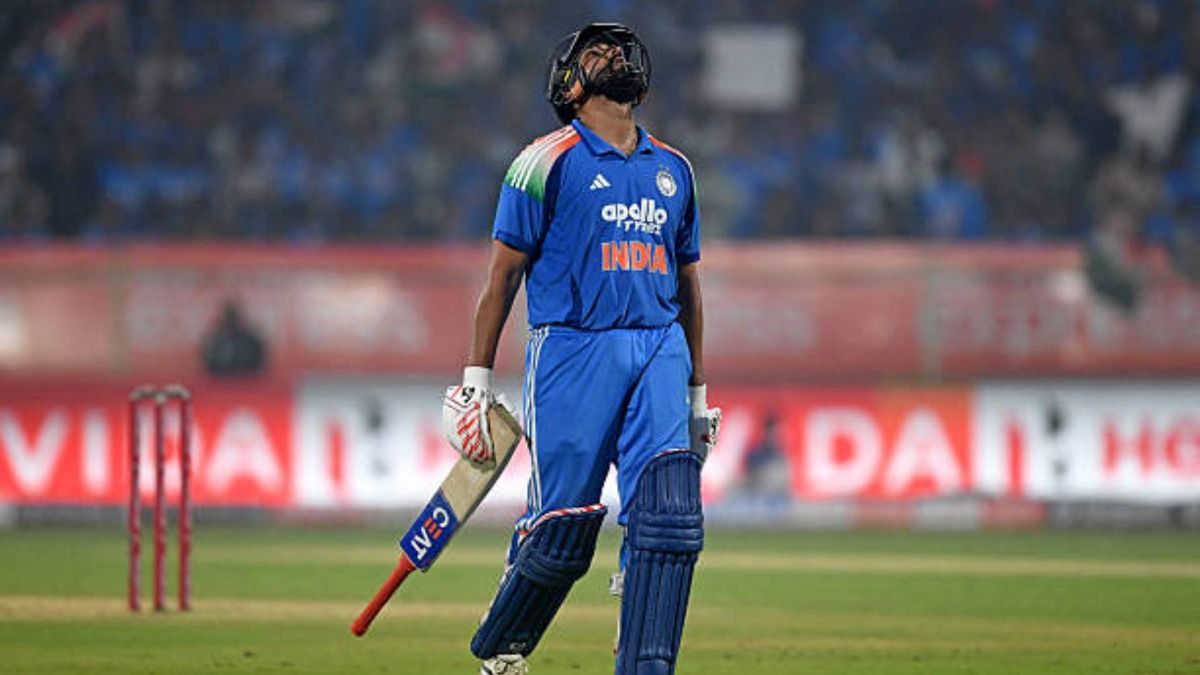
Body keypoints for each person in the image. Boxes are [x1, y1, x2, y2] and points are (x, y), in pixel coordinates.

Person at [439, 23, 720, 675]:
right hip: (572, 352)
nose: (616, 54)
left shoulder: (675, 169)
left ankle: (643, 660)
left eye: (620, 47)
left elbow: (689, 287)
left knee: (671, 517)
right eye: (596, 50)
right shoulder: (542, 161)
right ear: (569, 82)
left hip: (658, 347)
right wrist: (475, 383)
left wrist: (698, 395)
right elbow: (502, 276)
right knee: (560, 531)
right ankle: (505, 648)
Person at [201, 300, 267, 377]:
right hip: (220, 382)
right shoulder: (215, 338)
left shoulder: (250, 338)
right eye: (229, 316)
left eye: (233, 316)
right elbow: (209, 363)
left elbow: (258, 363)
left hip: (247, 381)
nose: (231, 320)